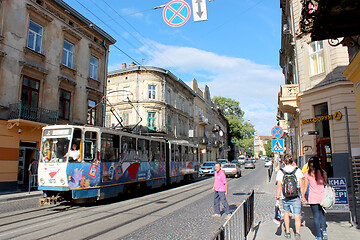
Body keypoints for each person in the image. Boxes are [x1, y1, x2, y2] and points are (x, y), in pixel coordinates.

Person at [276, 154, 305, 239]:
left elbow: (279, 185)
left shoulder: (281, 171)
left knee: (286, 213)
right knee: (297, 215)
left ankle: (288, 232)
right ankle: (297, 233)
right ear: (292, 161)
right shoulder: (298, 170)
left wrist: (277, 197)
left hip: (285, 196)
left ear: (284, 162)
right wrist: (303, 196)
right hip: (296, 196)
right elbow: (301, 185)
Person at [302, 157, 328, 240]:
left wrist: (303, 196)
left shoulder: (307, 174)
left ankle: (319, 236)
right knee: (322, 215)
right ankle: (324, 231)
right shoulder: (323, 172)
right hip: (322, 197)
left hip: (313, 198)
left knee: (316, 216)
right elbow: (326, 182)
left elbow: (305, 186)